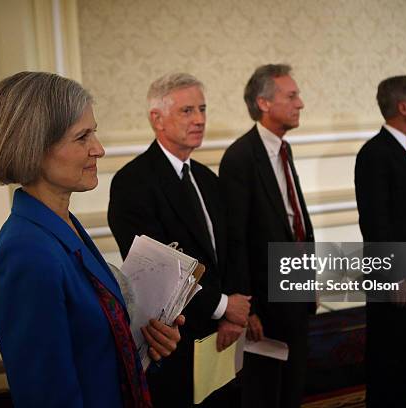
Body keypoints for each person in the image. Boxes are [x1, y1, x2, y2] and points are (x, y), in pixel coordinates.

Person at [0, 71, 184, 408]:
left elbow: (93, 350)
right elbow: (46, 396)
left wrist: (149, 344)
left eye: (93, 133)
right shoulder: (26, 251)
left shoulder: (63, 225)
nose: (99, 149)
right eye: (82, 138)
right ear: (33, 148)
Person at [108, 73, 250, 407]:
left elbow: (231, 248)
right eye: (187, 111)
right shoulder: (133, 182)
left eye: (202, 109)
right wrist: (223, 306)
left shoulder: (206, 178)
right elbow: (159, 271)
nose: (200, 119)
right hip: (174, 340)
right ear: (156, 119)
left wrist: (233, 310)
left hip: (223, 334)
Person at [218, 64, 315, 408]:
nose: (300, 103)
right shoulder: (241, 158)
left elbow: (294, 223)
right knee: (265, 393)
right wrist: (249, 308)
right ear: (264, 103)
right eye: (291, 96)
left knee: (293, 386)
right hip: (266, 303)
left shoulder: (283, 150)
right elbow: (237, 239)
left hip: (294, 290)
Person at [354, 75, 406, 407]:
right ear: (403, 107)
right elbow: (376, 222)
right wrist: (392, 276)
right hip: (395, 279)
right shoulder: (375, 153)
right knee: (388, 362)